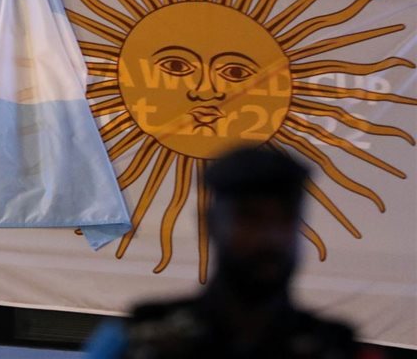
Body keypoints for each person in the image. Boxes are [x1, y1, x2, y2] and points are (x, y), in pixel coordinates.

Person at [84, 148, 377, 359]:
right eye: (250, 219)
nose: (270, 237)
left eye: (285, 219)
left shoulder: (337, 349)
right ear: (210, 223)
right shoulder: (135, 341)